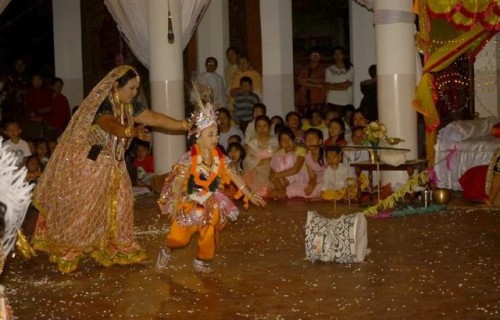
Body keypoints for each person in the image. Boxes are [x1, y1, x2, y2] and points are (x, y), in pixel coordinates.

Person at [31, 65, 190, 273]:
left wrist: (183, 125)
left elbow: (154, 118)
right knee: (85, 210)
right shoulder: (103, 104)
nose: (134, 93)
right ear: (116, 86)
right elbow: (110, 125)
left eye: (136, 89)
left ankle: (121, 248)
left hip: (114, 164)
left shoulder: (129, 104)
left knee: (123, 202)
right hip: (90, 166)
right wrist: (131, 131)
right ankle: (70, 250)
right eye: (131, 88)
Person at [156, 96, 265, 274]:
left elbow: (234, 176)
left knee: (210, 232)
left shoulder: (220, 158)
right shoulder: (189, 157)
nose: (216, 138)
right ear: (198, 137)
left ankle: (202, 260)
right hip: (190, 202)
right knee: (179, 238)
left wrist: (250, 194)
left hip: (211, 202)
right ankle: (167, 249)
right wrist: (175, 201)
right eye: (211, 134)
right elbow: (178, 180)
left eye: (217, 134)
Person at [243, 115, 279, 197]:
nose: (262, 129)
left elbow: (279, 156)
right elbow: (248, 160)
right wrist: (260, 162)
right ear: (255, 128)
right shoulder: (252, 143)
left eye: (265, 126)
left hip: (273, 169)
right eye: (259, 126)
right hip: (256, 170)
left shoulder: (276, 141)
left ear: (269, 127)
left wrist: (269, 161)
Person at [270, 127, 309, 199]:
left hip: (300, 174)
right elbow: (271, 174)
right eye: (283, 140)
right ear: (280, 143)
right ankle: (282, 187)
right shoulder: (279, 153)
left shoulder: (300, 150)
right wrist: (280, 187)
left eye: (289, 139)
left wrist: (276, 176)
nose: (286, 143)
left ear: (294, 140)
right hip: (282, 177)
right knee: (278, 157)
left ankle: (283, 184)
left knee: (290, 156)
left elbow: (296, 169)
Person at [295, 47, 326, 115]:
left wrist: (308, 79)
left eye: (317, 54)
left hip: (318, 97)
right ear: (309, 56)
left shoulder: (322, 68)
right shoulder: (304, 67)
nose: (315, 56)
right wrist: (315, 85)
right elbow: (300, 81)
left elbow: (322, 80)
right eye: (313, 54)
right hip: (304, 97)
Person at [324, 46, 354, 114]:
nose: (337, 56)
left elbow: (346, 85)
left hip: (346, 101)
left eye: (340, 54)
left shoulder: (350, 68)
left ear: (344, 55)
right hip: (332, 101)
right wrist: (342, 86)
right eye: (335, 54)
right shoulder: (329, 69)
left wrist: (332, 85)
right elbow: (327, 86)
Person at [303, 128, 326, 199]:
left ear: (320, 141)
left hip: (328, 179)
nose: (310, 142)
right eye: (308, 140)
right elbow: (312, 177)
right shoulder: (307, 157)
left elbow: (331, 173)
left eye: (313, 139)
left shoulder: (326, 155)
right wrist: (311, 186)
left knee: (320, 188)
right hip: (317, 180)